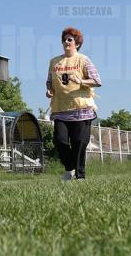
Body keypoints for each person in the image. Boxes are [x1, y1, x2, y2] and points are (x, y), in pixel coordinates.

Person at [46, 27, 101, 181]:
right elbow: (49, 81)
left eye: (70, 39)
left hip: (81, 109)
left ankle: (80, 176)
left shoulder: (83, 60)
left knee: (79, 143)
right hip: (60, 109)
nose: (66, 42)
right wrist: (49, 90)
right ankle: (69, 167)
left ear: (77, 43)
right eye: (64, 39)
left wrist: (81, 81)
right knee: (59, 140)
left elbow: (97, 81)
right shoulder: (54, 62)